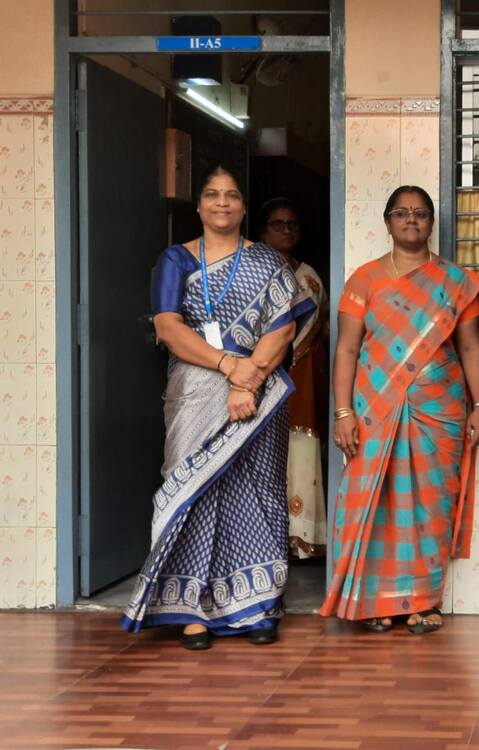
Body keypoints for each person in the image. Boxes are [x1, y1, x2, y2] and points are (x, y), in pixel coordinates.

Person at [122, 166, 315, 649]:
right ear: (200, 205)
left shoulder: (268, 262)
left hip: (262, 390)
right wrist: (231, 367)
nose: (222, 203)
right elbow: (169, 327)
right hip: (196, 389)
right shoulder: (177, 259)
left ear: (244, 207)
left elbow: (284, 327)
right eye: (212, 195)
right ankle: (192, 612)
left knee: (260, 489)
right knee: (195, 489)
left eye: (232, 196)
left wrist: (250, 379)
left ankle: (261, 605)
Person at [321, 185, 479, 634]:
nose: (411, 220)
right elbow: (346, 350)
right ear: (387, 221)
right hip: (375, 409)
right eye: (402, 213)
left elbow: (471, 347)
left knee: (429, 506)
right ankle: (376, 602)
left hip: (438, 409)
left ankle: (423, 600)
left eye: (420, 213)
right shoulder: (364, 280)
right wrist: (342, 413)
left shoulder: (455, 282)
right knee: (375, 505)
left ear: (431, 222)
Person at [260, 198, 329, 559]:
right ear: (262, 230)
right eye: (277, 224)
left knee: (301, 454)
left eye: (292, 224)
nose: (286, 230)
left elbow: (322, 331)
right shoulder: (251, 272)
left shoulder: (309, 277)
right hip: (257, 378)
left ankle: (301, 541)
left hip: (301, 379)